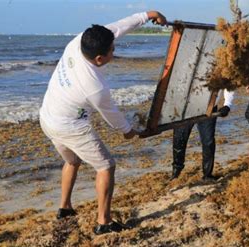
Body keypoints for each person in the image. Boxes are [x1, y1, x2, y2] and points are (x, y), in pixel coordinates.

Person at [39, 11, 167, 235]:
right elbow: (113, 117)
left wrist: (148, 15)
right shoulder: (95, 86)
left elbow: (118, 28)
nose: (114, 52)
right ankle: (104, 222)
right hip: (69, 126)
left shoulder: (79, 41)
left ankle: (65, 208)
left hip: (47, 117)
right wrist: (128, 131)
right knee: (106, 166)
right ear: (99, 59)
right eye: (112, 51)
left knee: (73, 161)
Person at [171, 90, 234, 181]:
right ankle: (175, 173)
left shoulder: (219, 75)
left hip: (208, 108)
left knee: (208, 141)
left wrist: (227, 105)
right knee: (179, 140)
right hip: (185, 107)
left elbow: (229, 84)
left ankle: (207, 175)